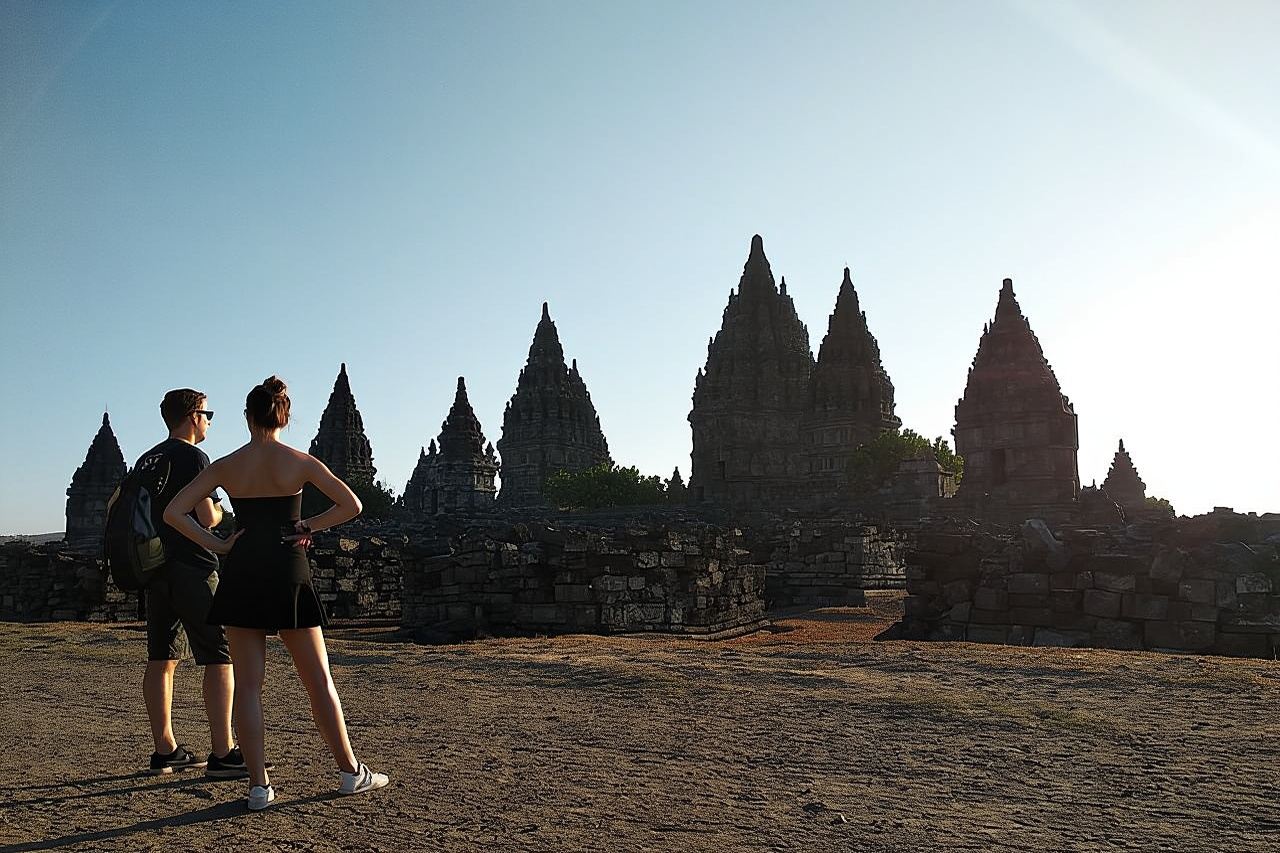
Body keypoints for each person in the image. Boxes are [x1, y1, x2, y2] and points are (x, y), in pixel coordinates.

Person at [163, 376, 388, 811]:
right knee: (318, 680)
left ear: (248, 417)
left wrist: (220, 544)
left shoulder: (226, 465)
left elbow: (174, 512)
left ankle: (259, 787)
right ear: (284, 416)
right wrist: (307, 526)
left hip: (243, 570)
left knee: (248, 686)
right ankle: (350, 772)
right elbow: (352, 506)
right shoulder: (299, 461)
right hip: (288, 571)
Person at [135, 388, 247, 778]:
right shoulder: (193, 456)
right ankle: (224, 751)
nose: (210, 421)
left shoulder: (146, 459)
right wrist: (218, 512)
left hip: (155, 569)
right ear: (193, 416)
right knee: (220, 656)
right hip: (194, 567)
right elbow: (207, 517)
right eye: (208, 413)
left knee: (162, 658)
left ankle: (165, 750)